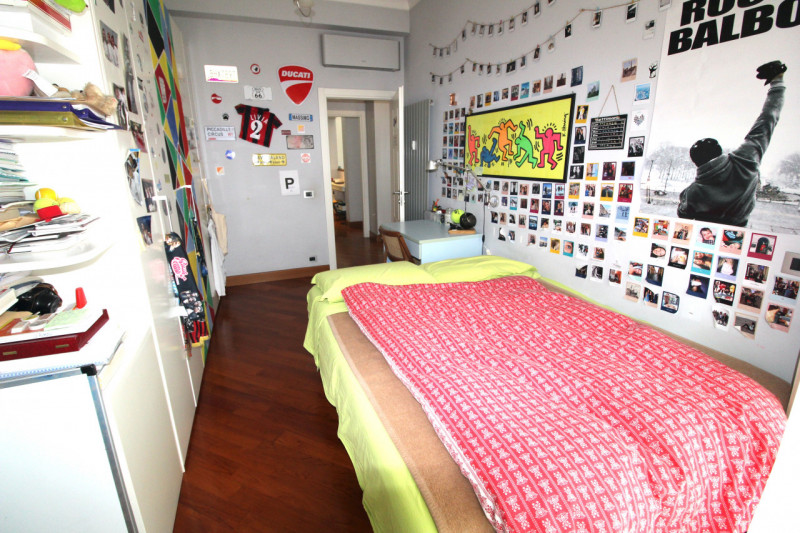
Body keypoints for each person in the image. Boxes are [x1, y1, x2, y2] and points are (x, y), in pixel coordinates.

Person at [678, 61, 787, 226]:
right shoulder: (745, 160)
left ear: (696, 162)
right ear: (720, 152)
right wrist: (777, 81)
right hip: (739, 231)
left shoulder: (693, 192)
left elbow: (683, 214)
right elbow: (768, 118)